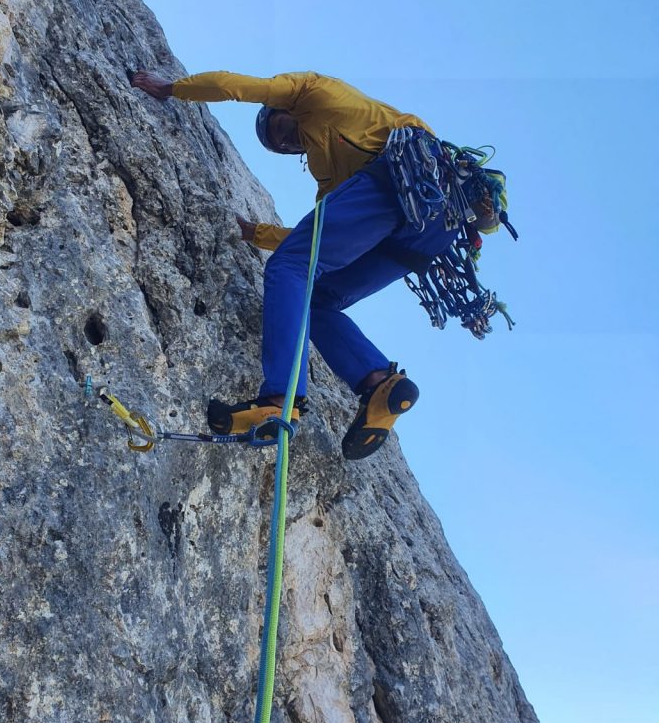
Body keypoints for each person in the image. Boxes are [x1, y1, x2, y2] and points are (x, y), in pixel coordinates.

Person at [131, 69, 501, 460]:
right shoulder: (331, 180)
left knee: (289, 270)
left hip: (399, 181)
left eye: (280, 127)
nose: (286, 140)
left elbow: (236, 87)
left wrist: (171, 89)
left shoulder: (310, 91)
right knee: (317, 298)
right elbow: (317, 231)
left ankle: (279, 399)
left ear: (283, 108)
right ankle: (381, 385)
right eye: (281, 146)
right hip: (428, 228)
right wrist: (256, 234)